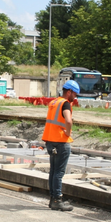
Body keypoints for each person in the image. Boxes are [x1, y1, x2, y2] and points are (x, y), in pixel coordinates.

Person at [41, 80, 80, 211]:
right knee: (59, 172)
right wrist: (68, 132)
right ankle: (57, 200)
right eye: (75, 94)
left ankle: (53, 199)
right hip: (61, 141)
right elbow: (68, 120)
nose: (75, 97)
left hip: (50, 140)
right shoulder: (65, 103)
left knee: (53, 171)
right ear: (69, 92)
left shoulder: (53, 102)